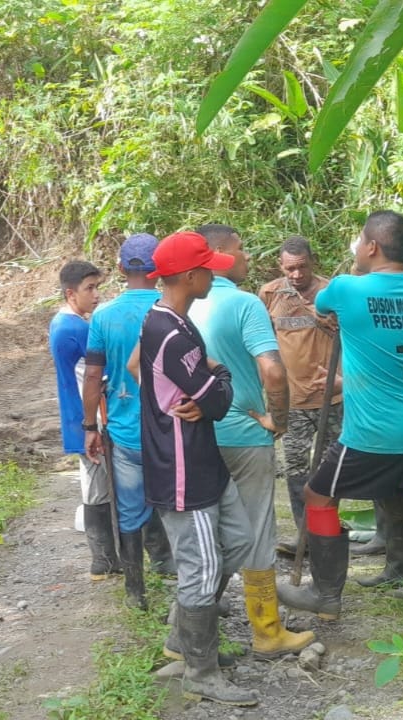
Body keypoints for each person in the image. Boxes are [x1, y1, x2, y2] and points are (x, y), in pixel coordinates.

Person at [278, 210, 403, 618]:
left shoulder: (347, 288)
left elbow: (323, 305)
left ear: (371, 247)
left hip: (373, 431)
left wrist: (356, 269)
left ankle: (325, 595)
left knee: (318, 496)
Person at [138, 231, 256, 706]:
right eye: (208, 269)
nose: (214, 274)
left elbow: (210, 389)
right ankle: (200, 671)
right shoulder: (166, 331)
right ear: (189, 276)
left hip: (204, 459)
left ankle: (186, 637)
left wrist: (213, 380)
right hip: (182, 468)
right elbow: (220, 401)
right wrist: (217, 380)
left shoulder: (178, 322)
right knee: (202, 568)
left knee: (239, 540)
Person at [189, 225, 314, 659]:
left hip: (196, 436)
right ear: (219, 254)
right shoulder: (244, 303)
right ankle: (267, 631)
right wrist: (278, 419)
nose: (246, 257)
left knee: (205, 535)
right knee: (258, 529)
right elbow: (273, 371)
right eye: (240, 249)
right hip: (244, 433)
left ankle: (185, 637)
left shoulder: (176, 305)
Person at [82, 233, 176, 611]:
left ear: (121, 268)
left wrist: (90, 427)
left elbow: (93, 376)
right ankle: (188, 585)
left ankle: (136, 590)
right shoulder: (173, 308)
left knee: (130, 511)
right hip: (171, 430)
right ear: (159, 269)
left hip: (125, 433)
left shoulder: (104, 316)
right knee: (178, 506)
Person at [257, 236, 353, 558]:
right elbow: (262, 344)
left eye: (302, 267)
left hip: (330, 400)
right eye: (290, 269)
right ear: (281, 266)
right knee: (296, 470)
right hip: (293, 402)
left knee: (328, 472)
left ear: (313, 261)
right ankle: (305, 536)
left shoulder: (331, 292)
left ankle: (326, 534)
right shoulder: (270, 294)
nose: (297, 275)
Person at [49, 260, 119, 581]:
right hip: (92, 419)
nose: (96, 295)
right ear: (70, 293)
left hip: (77, 417)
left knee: (94, 486)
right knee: (99, 488)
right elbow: (101, 375)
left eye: (97, 287)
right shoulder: (78, 329)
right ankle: (103, 560)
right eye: (89, 289)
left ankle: (104, 560)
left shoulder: (59, 323)